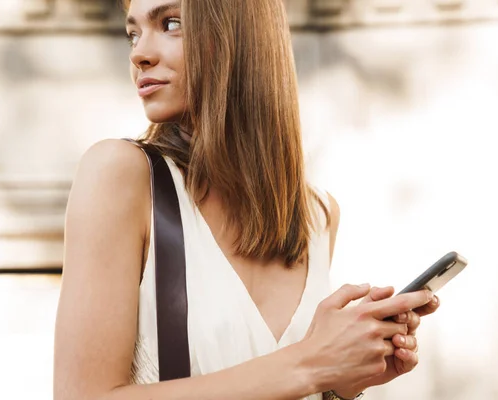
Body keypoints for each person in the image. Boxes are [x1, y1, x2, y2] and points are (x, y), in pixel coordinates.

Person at [53, 0, 440, 399]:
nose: (139, 53)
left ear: (240, 34)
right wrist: (312, 363)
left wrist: (340, 383)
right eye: (133, 33)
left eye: (171, 24)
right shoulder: (123, 175)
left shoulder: (318, 216)